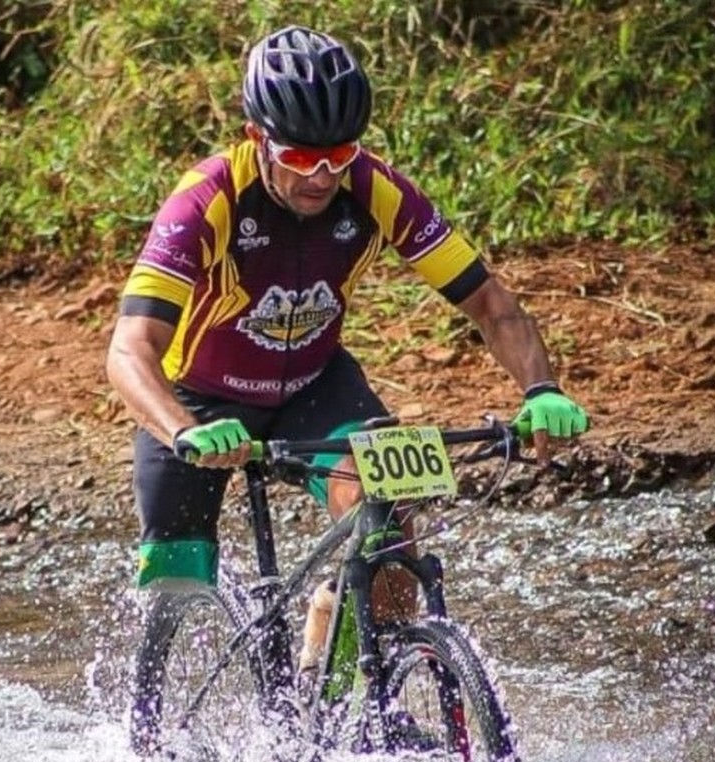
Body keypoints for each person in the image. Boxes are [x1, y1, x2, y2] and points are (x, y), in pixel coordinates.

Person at [106, 25, 589, 613]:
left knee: (389, 520)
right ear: (256, 136)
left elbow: (491, 304)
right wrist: (182, 429)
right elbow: (131, 349)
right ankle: (153, 702)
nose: (322, 178)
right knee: (174, 585)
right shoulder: (205, 201)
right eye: (301, 157)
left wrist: (540, 388)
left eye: (339, 156)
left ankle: (336, 657)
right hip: (200, 399)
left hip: (314, 385)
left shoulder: (376, 189)